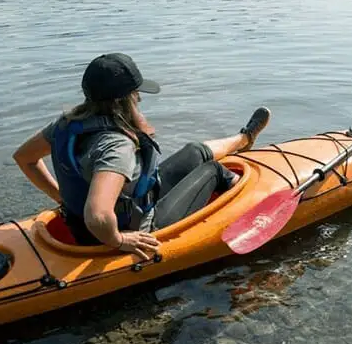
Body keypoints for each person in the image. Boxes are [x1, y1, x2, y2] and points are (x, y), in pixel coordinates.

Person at [13, 53, 270, 260]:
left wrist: (62, 197)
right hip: (138, 229)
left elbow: (24, 157)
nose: (139, 97)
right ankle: (248, 202)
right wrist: (119, 240)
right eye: (136, 93)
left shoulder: (66, 123)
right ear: (127, 99)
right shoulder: (116, 147)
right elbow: (98, 216)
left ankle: (244, 139)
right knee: (213, 170)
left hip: (104, 213)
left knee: (195, 151)